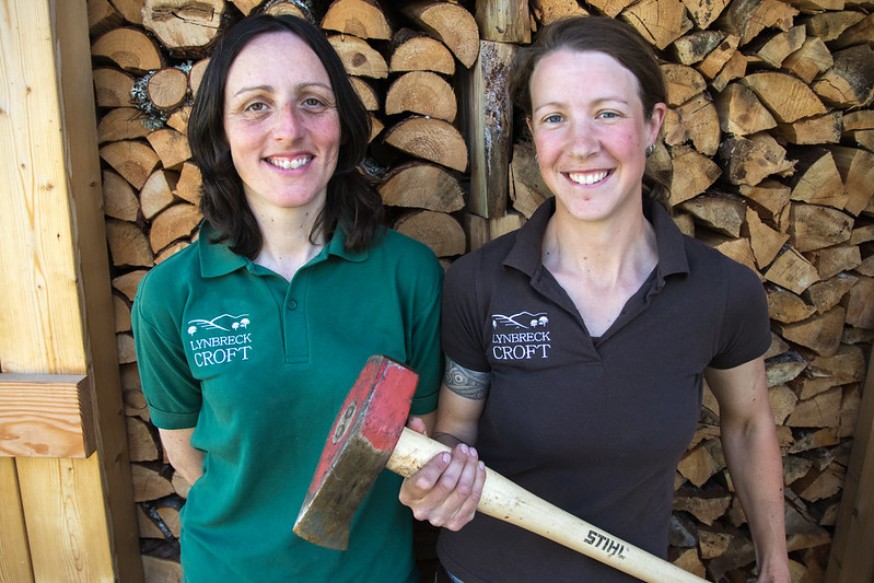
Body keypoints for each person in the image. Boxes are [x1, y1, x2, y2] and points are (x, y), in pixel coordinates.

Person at [399, 15, 790, 583]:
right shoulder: (479, 284)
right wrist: (442, 474)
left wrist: (775, 562)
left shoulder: (721, 292)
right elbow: (458, 429)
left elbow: (750, 421)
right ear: (534, 133)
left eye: (607, 113)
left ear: (653, 123)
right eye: (556, 118)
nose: (581, 146)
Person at [131, 13, 443, 583]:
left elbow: (422, 444)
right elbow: (188, 458)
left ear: (343, 125)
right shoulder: (170, 294)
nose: (287, 130)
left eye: (312, 102)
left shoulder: (409, 275)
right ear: (219, 132)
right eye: (255, 105)